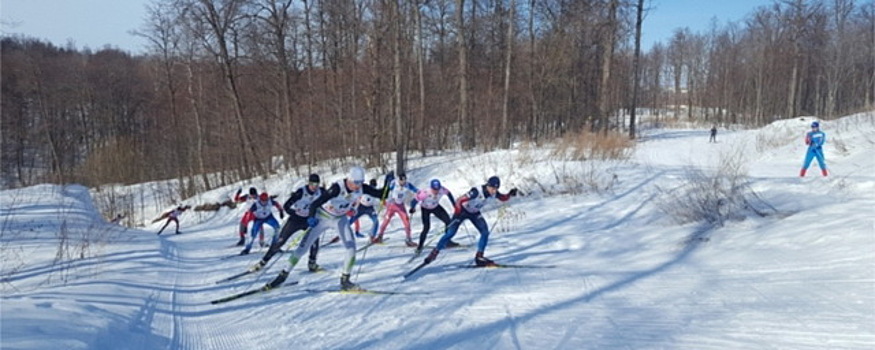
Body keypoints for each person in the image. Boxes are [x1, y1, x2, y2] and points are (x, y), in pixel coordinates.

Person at [266, 166, 387, 291]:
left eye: (361, 182)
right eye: (356, 182)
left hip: (340, 219)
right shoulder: (337, 188)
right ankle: (283, 275)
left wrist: (388, 186)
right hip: (322, 218)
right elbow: (316, 203)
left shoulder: (362, 188)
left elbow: (381, 194)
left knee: (351, 247)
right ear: (349, 180)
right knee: (302, 248)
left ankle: (345, 280)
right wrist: (311, 217)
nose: (358, 186)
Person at [423, 176, 518, 267]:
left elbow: (503, 198)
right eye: (492, 188)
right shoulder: (476, 191)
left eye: (496, 189)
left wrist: (510, 194)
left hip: (474, 213)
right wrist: (457, 212)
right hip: (462, 211)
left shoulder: (494, 193)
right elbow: (459, 200)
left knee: (485, 232)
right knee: (450, 233)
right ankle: (434, 253)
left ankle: (479, 257)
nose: (494, 191)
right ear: (488, 185)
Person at [250, 174, 323, 272]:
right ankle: (263, 262)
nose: (314, 186)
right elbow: (286, 206)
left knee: (314, 240)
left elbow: (329, 200)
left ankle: (312, 263)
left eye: (317, 184)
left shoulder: (321, 192)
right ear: (308, 183)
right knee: (280, 241)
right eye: (312, 184)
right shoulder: (301, 192)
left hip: (309, 220)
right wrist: (294, 213)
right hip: (295, 220)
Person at [409, 178, 460, 255]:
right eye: (434, 189)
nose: (436, 191)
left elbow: (449, 194)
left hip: (436, 207)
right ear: (431, 187)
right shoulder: (425, 192)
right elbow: (414, 201)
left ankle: (447, 241)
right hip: (425, 209)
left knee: (448, 221)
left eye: (437, 189)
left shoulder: (442, 189)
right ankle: (420, 247)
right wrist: (412, 208)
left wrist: (454, 204)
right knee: (426, 228)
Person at [375, 173, 419, 247]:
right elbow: (386, 188)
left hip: (400, 206)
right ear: (399, 180)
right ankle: (380, 236)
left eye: (404, 180)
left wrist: (421, 194)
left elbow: (416, 190)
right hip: (391, 205)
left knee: (406, 221)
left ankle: (408, 239)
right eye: (401, 181)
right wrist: (387, 182)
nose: (403, 182)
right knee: (386, 220)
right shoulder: (394, 183)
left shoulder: (408, 185)